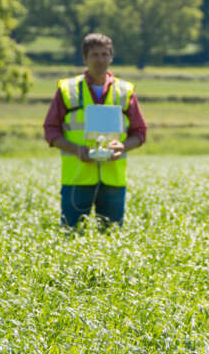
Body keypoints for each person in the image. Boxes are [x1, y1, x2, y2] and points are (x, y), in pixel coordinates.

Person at [43, 33, 147, 228]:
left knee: (112, 238)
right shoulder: (68, 90)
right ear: (85, 58)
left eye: (104, 54)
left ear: (111, 58)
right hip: (77, 177)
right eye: (95, 55)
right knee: (71, 235)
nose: (100, 60)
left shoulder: (124, 91)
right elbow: (51, 131)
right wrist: (77, 150)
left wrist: (122, 147)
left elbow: (140, 133)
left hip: (113, 179)